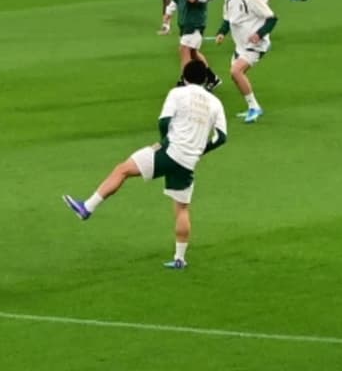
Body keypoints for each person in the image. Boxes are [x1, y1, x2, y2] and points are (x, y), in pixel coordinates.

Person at [63, 62, 227, 269]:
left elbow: (164, 122)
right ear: (205, 79)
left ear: (184, 77)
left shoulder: (178, 93)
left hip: (169, 152)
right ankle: (179, 258)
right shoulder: (215, 103)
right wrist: (200, 150)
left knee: (122, 170)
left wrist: (164, 142)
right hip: (188, 162)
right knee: (182, 209)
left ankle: (87, 207)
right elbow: (221, 137)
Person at [215, 0, 277, 124]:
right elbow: (228, 19)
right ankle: (253, 106)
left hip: (255, 45)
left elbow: (272, 18)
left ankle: (254, 107)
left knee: (236, 71)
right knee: (235, 76)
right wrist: (222, 33)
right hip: (240, 46)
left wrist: (259, 34)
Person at [173, 0, 221, 90]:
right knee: (193, 52)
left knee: (184, 49)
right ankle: (212, 78)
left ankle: (186, 82)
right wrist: (168, 12)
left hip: (195, 20)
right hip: (184, 20)